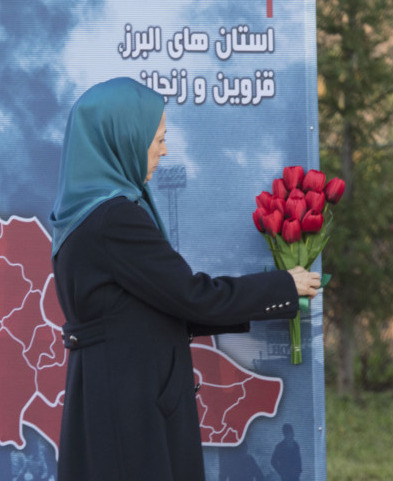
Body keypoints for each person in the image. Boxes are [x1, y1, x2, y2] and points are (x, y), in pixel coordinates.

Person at [49, 77, 320, 481]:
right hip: (131, 411)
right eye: (155, 139)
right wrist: (284, 287)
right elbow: (192, 296)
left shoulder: (83, 215)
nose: (164, 149)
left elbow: (164, 306)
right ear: (122, 140)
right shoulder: (115, 218)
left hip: (113, 399)